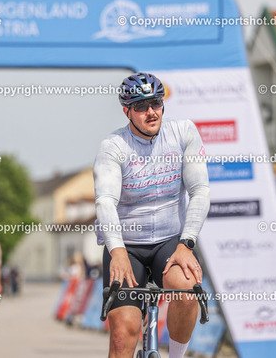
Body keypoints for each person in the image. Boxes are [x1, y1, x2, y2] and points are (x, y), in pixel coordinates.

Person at [94, 73, 210, 358]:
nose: (151, 112)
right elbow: (105, 202)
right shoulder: (113, 147)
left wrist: (186, 244)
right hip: (127, 246)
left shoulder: (183, 132)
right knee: (123, 333)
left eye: (156, 103)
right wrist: (117, 251)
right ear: (127, 111)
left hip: (170, 242)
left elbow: (200, 191)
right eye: (141, 106)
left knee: (187, 292)